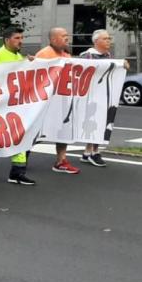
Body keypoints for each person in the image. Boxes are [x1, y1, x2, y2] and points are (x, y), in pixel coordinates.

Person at [0, 26, 36, 186]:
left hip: (16, 105)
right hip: (1, 106)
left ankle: (17, 172)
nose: (20, 41)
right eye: (17, 38)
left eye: (22, 38)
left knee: (22, 136)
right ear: (7, 40)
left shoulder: (18, 56)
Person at [34, 27, 82, 175]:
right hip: (45, 102)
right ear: (53, 39)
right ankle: (20, 159)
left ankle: (61, 161)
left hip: (62, 101)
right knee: (36, 133)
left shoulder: (66, 54)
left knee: (63, 130)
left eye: (67, 35)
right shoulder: (44, 54)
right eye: (63, 36)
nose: (67, 38)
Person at [78, 29, 128, 167]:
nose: (108, 41)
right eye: (105, 39)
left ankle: (88, 152)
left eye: (109, 38)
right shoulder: (86, 56)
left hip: (105, 94)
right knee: (94, 123)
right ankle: (93, 152)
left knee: (103, 122)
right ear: (96, 41)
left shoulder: (108, 55)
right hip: (91, 95)